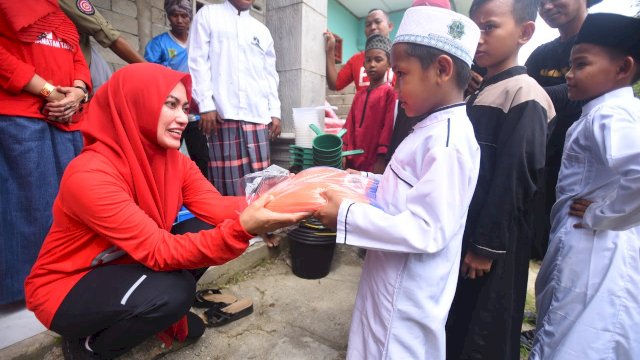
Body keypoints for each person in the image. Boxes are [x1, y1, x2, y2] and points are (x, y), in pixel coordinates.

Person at [24, 63, 308, 359]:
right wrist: (243, 229)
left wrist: (283, 199)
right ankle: (88, 347)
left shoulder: (175, 161)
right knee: (173, 294)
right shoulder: (90, 174)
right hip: (67, 287)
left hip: (125, 262)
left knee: (202, 229)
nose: (183, 118)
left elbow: (214, 207)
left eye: (185, 108)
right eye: (170, 105)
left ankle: (147, 310)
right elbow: (160, 251)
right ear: (135, 104)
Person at [314, 6, 481, 358]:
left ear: (441, 69)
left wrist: (345, 216)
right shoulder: (429, 127)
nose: (396, 83)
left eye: (401, 74)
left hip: (405, 298)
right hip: (388, 279)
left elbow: (426, 228)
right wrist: (367, 183)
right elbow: (407, 191)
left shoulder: (449, 143)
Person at [444, 0, 555, 358]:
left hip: (495, 241)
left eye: (489, 27)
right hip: (467, 228)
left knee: (484, 327)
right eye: (474, 28)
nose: (478, 38)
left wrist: (485, 246)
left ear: (524, 32)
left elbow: (516, 176)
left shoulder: (525, 94)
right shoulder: (477, 92)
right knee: (460, 320)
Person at [531, 13, 640, 359]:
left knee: (576, 337)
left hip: (593, 248)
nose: (569, 75)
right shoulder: (600, 112)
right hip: (590, 244)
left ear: (622, 69)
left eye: (580, 64)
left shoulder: (610, 114)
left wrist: (602, 215)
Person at [0, 0, 91, 305]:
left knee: (71, 202)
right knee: (28, 205)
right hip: (22, 116)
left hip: (68, 117)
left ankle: (66, 274)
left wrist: (78, 92)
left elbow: (77, 57)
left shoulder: (58, 9)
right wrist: (49, 91)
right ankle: (25, 290)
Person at [525, 0, 602, 259]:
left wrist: (528, 94)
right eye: (539, 2)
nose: (546, 6)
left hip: (588, 165)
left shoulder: (604, 43)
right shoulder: (540, 55)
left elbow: (585, 93)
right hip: (544, 160)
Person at [189, 0, 281, 196]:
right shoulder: (208, 15)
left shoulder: (262, 30)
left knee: (260, 187)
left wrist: (275, 111)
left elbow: (270, 74)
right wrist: (205, 104)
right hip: (223, 116)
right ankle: (230, 225)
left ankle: (258, 227)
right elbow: (198, 61)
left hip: (257, 118)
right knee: (228, 188)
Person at [145, 0, 210, 178]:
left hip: (197, 114)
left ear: (190, 18)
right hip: (172, 112)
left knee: (202, 159)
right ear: (168, 16)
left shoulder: (199, 44)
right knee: (165, 157)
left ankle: (202, 197)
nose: (179, 20)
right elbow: (150, 76)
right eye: (175, 15)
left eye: (184, 16)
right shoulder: (159, 44)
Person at [386, 0, 452, 162]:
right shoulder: (411, 102)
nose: (395, 88)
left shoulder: (446, 145)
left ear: (442, 69)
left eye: (401, 74)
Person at [342, 34, 395, 173]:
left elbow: (388, 129)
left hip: (375, 163)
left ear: (389, 63)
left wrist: (381, 159)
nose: (372, 64)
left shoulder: (390, 93)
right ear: (363, 64)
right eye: (368, 60)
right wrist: (343, 151)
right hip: (352, 161)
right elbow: (349, 125)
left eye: (378, 60)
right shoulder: (359, 95)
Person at [58, 0, 145, 67]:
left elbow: (81, 75)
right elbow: (106, 33)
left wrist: (80, 85)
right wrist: (153, 71)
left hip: (70, 79)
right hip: (60, 80)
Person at [324, 9, 394, 92]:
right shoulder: (356, 59)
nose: (372, 27)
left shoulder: (401, 56)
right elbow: (334, 84)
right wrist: (330, 51)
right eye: (368, 24)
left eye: (378, 22)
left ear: (390, 26)